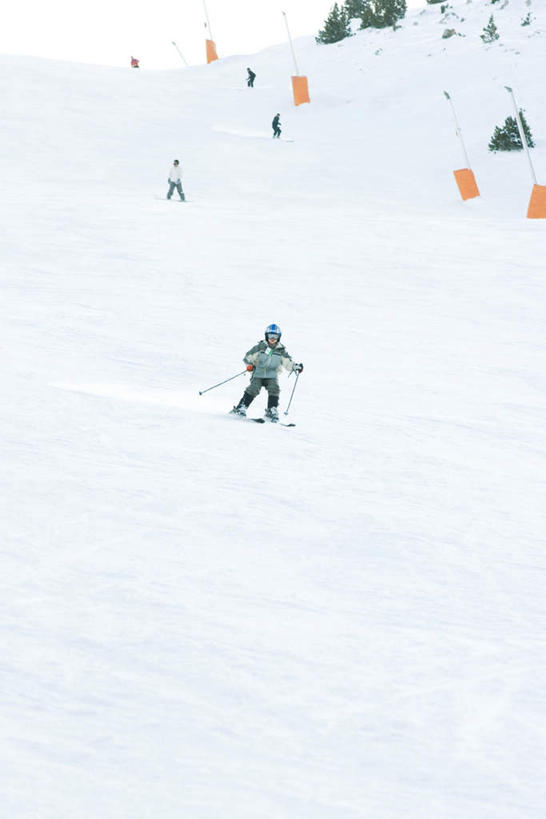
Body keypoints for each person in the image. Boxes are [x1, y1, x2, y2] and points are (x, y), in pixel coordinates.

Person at [231, 324, 303, 422]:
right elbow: (248, 357)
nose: (272, 339)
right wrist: (250, 365)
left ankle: (271, 409)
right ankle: (241, 407)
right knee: (254, 388)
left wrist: (295, 367)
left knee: (274, 388)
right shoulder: (261, 347)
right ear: (266, 336)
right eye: (270, 336)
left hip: (272, 375)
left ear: (279, 337)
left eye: (275, 336)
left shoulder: (281, 350)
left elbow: (287, 362)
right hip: (258, 373)